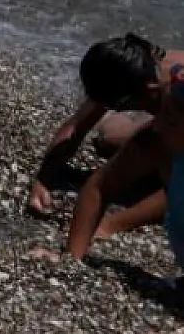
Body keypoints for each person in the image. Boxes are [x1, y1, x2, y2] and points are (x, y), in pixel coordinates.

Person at [28, 34, 180, 234]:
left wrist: (111, 225)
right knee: (108, 140)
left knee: (166, 158)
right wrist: (43, 180)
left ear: (149, 87)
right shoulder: (132, 69)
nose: (117, 109)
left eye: (120, 105)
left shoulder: (175, 87)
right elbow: (77, 125)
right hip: (168, 124)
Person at [44, 63, 184, 270]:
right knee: (110, 139)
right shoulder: (156, 141)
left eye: (171, 119)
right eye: (161, 112)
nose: (157, 125)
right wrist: (71, 260)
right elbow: (99, 187)